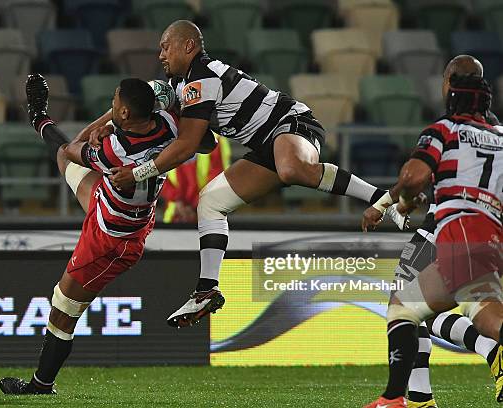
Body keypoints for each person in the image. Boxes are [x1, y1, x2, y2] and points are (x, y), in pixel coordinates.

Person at [106, 20, 407, 328]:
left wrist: (138, 173)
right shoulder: (183, 86)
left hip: (292, 123)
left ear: (188, 46)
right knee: (210, 202)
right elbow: (183, 128)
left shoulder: (202, 78)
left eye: (165, 47)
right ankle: (205, 290)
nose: (160, 55)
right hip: (267, 146)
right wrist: (102, 127)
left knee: (291, 168)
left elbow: (186, 146)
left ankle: (384, 199)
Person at [0, 75, 179, 395]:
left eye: (115, 101)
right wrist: (114, 123)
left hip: (112, 238)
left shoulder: (116, 149)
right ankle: (39, 116)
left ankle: (41, 385)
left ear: (125, 112)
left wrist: (104, 124)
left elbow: (73, 147)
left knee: (63, 308)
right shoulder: (168, 124)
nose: (111, 103)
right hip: (110, 203)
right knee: (63, 162)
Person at [362, 67, 502, 408]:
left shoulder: (446, 129)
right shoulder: (499, 134)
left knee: (408, 306)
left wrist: (392, 203)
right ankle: (407, 398)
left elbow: (413, 177)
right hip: (491, 237)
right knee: (442, 305)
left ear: (449, 85)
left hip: (448, 230)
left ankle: (414, 397)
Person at [160, 135, 230, 223]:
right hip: (176, 215)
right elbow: (158, 174)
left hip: (205, 213)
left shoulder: (216, 139)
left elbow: (218, 177)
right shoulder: (165, 134)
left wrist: (195, 204)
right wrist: (177, 200)